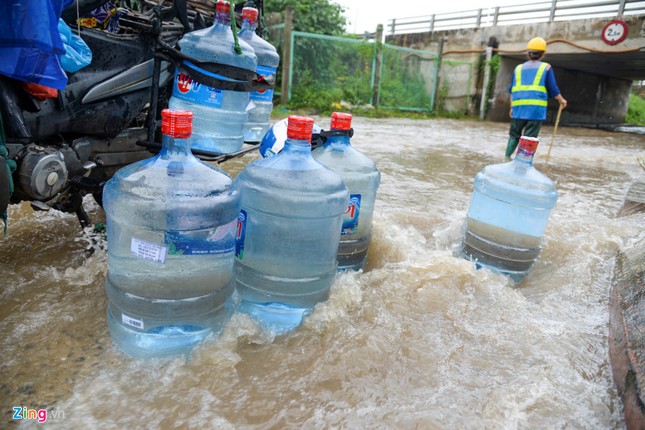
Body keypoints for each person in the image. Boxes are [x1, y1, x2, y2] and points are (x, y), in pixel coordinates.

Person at [506, 37, 567, 160]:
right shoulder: (546, 68)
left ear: (528, 53)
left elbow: (512, 90)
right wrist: (561, 100)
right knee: (529, 138)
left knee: (514, 135)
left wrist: (512, 107)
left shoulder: (517, 69)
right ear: (543, 54)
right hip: (535, 110)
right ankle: (522, 163)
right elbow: (553, 89)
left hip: (518, 109)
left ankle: (506, 158)